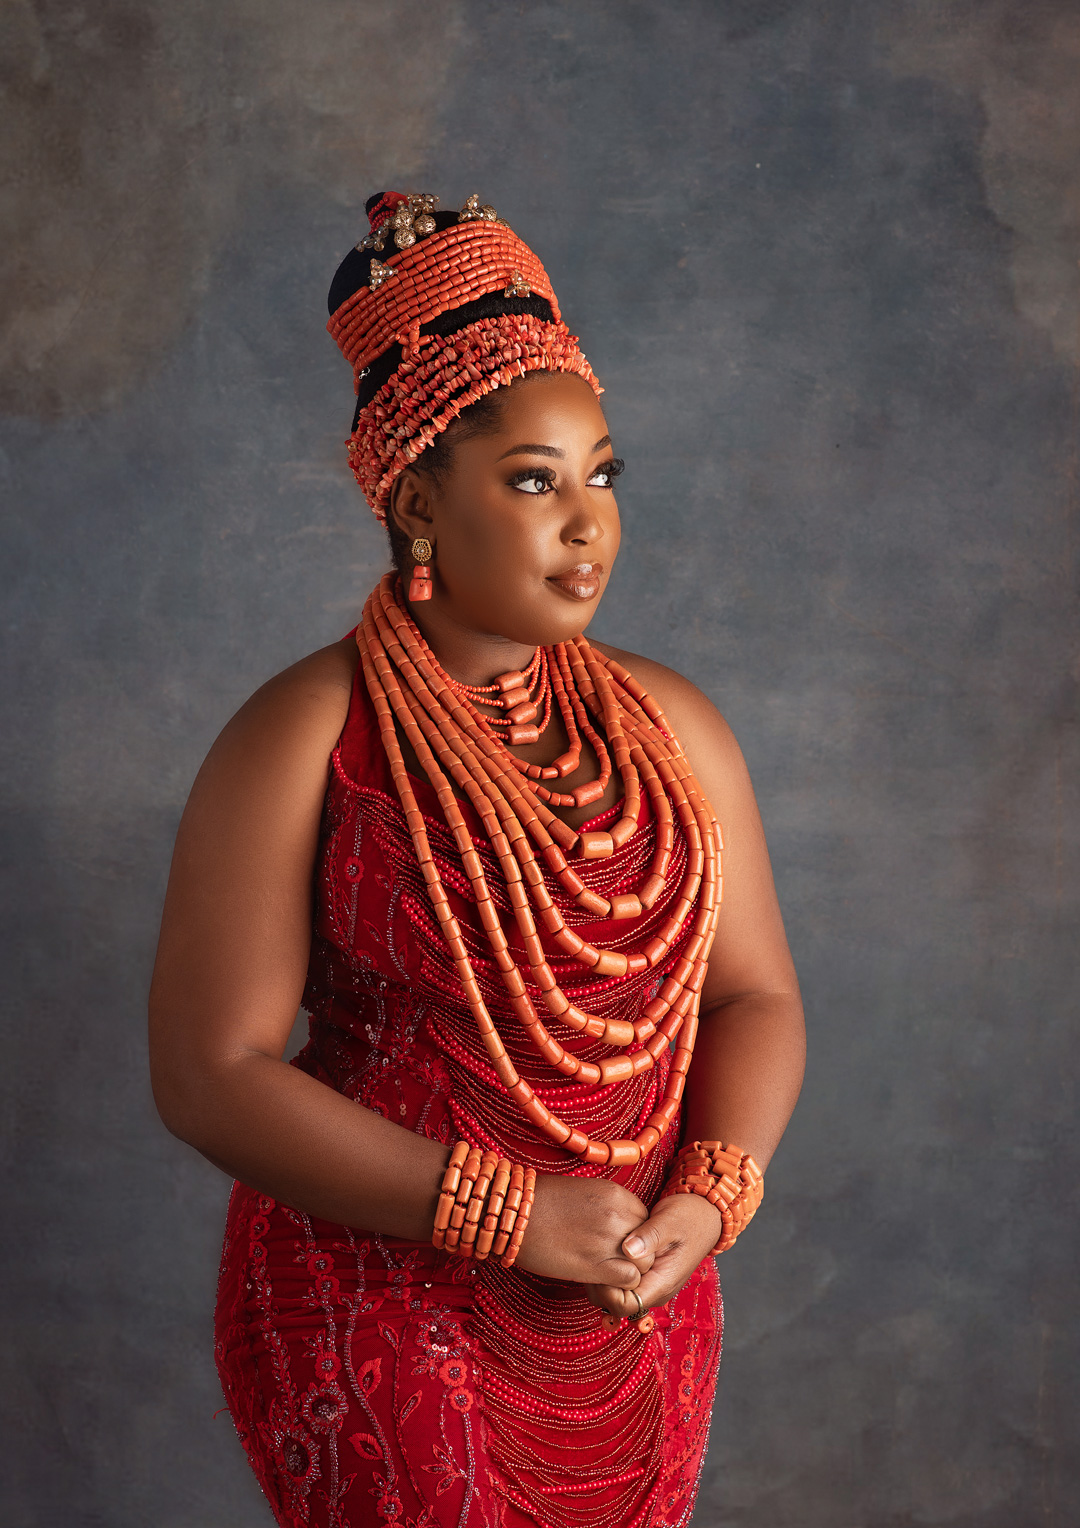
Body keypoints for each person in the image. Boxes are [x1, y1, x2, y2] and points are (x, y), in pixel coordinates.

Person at [149, 190, 805, 1528]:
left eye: (602, 474)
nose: (587, 522)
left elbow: (754, 1000)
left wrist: (711, 1193)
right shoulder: (305, 736)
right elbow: (207, 1074)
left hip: (633, 1307)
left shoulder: (676, 731)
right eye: (533, 480)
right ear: (417, 501)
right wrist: (499, 1215)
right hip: (384, 1304)